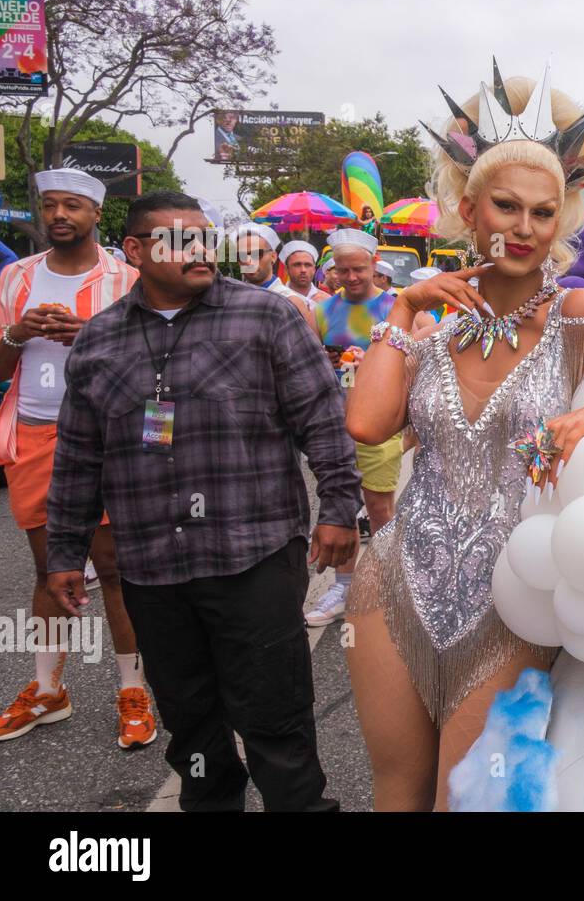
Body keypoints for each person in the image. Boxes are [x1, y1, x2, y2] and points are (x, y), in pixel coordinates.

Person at [344, 65, 584, 810]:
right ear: (468, 207)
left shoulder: (582, 312)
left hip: (510, 597)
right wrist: (400, 313)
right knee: (396, 791)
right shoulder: (435, 322)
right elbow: (365, 423)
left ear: (562, 220)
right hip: (391, 582)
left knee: (469, 798)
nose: (523, 229)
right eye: (507, 207)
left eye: (543, 213)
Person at [43, 190, 362, 811]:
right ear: (134, 251)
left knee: (276, 721)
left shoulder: (265, 319)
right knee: (191, 726)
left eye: (204, 236)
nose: (200, 250)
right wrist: (64, 551)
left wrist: (337, 508)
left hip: (254, 557)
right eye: (178, 239)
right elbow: (79, 455)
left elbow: (322, 420)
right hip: (152, 570)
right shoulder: (99, 341)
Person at [0, 168, 156, 749]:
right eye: (50, 206)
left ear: (96, 215)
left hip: (108, 439)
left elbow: (153, 363)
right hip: (34, 437)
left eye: (72, 206)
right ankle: (47, 690)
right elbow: (0, 366)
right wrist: (17, 333)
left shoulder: (127, 279)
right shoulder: (14, 278)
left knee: (115, 570)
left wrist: (86, 333)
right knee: (50, 572)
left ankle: (132, 689)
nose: (59, 215)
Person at [303, 229, 400, 626]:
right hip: (335, 425)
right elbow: (305, 372)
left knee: (379, 509)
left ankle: (389, 586)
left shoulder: (397, 308)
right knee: (340, 509)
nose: (351, 277)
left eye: (358, 269)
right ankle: (344, 587)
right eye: (342, 270)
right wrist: (329, 362)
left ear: (375, 266)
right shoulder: (321, 311)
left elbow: (419, 365)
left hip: (380, 426)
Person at [233, 223, 312, 320]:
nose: (249, 261)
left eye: (257, 254)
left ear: (273, 257)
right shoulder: (233, 299)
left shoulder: (290, 301)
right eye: (242, 256)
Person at [281, 239, 330, 304]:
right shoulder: (279, 299)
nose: (303, 270)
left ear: (314, 269)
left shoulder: (327, 300)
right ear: (286, 269)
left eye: (308, 265)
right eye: (297, 265)